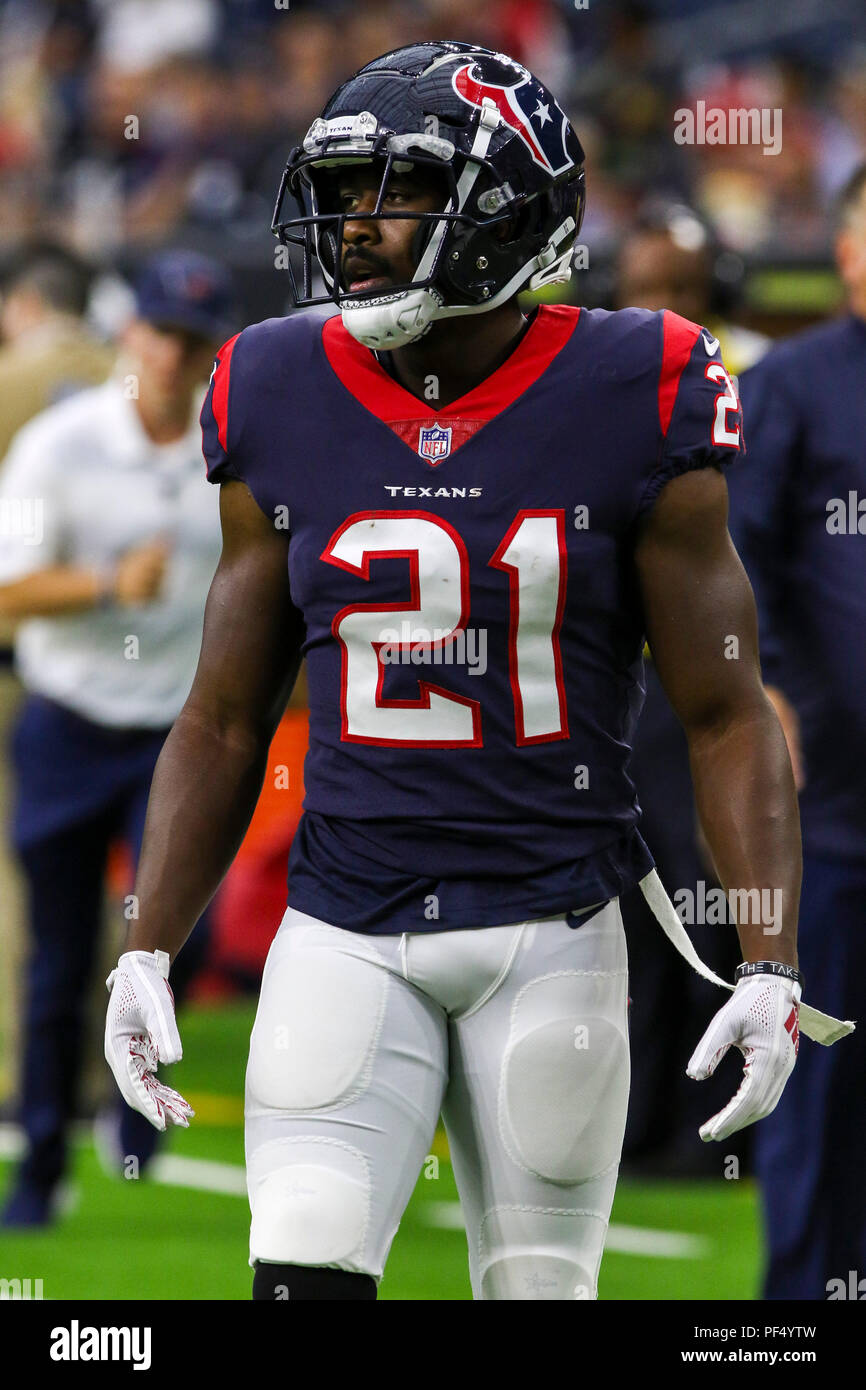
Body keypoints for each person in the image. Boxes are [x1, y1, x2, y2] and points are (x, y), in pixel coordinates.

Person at [103, 41, 835, 1302]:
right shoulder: (274, 381)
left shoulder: (636, 380)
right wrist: (147, 944)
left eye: (389, 191)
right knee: (300, 1278)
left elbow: (722, 709)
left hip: (554, 926)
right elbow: (223, 716)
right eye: (338, 194)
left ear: (503, 204)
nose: (351, 228)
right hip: (340, 923)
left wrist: (767, 961)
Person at [0, 250, 233, 1226]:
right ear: (128, 334)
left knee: (182, 934)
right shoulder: (61, 443)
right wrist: (106, 586)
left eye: (190, 338)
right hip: (69, 715)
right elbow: (8, 590)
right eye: (158, 333)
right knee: (56, 958)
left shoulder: (231, 447)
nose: (171, 356)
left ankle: (136, 1116)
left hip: (180, 727)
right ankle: (44, 1159)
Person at [727, 163, 866, 1300]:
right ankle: (797, 1307)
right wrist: (761, 689)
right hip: (831, 800)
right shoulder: (794, 385)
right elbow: (733, 562)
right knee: (817, 1062)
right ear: (844, 252)